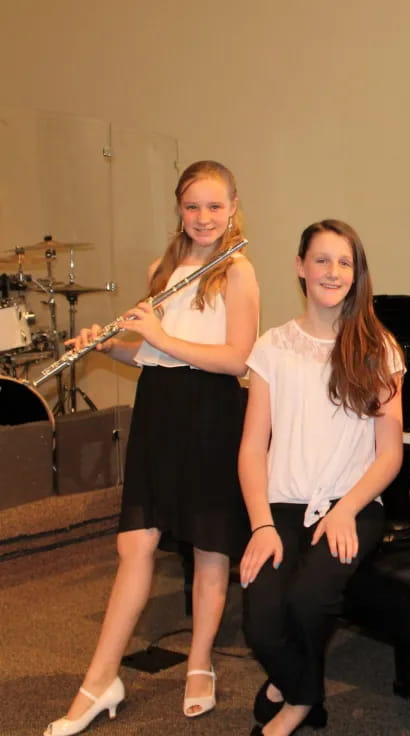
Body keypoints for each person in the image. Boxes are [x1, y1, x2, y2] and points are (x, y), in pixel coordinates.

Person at [43, 160, 260, 736]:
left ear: (233, 207)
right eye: (193, 206)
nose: (204, 217)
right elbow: (154, 356)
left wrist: (161, 335)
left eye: (215, 206)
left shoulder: (237, 272)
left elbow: (238, 359)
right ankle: (100, 680)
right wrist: (110, 348)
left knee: (211, 548)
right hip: (161, 410)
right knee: (134, 545)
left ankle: (199, 662)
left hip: (212, 411)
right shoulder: (163, 269)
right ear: (179, 209)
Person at [238, 219, 404, 736]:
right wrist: (261, 525)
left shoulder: (378, 348)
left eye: (345, 262)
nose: (333, 271)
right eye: (322, 260)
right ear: (300, 267)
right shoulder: (272, 347)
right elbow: (251, 448)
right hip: (282, 508)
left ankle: (293, 703)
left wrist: (347, 509)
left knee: (309, 600)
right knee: (260, 622)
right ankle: (304, 689)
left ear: (357, 274)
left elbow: (389, 454)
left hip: (353, 504)